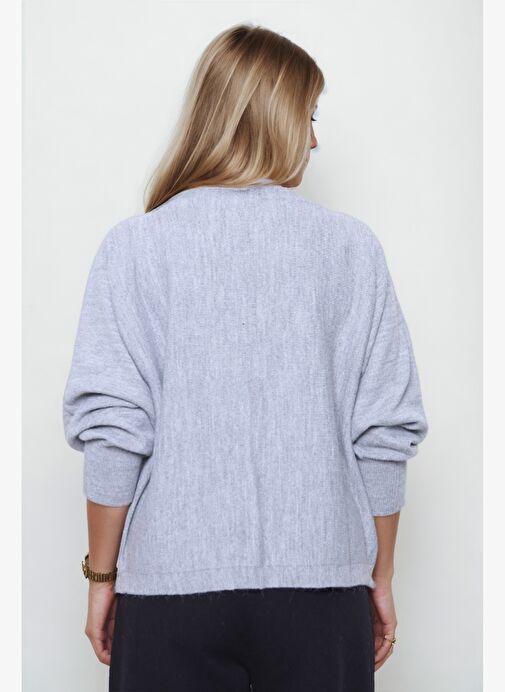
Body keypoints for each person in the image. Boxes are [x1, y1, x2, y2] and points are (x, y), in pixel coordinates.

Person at [62, 22, 429, 692]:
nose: (313, 141)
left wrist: (101, 578)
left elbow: (115, 431)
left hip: (171, 591)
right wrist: (379, 575)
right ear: (271, 119)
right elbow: (382, 432)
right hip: (322, 589)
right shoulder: (351, 250)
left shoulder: (135, 248)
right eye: (307, 117)